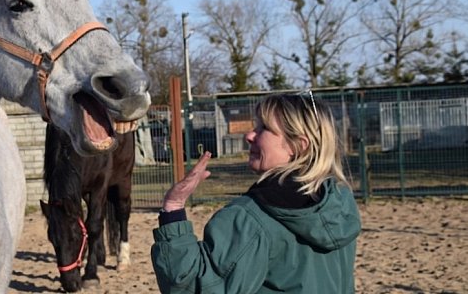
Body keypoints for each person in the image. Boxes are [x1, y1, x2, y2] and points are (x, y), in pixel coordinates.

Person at [151, 92, 361, 293]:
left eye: (264, 128)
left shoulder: (250, 218)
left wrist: (173, 209)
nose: (249, 135)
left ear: (298, 145)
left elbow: (194, 287)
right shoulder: (339, 202)